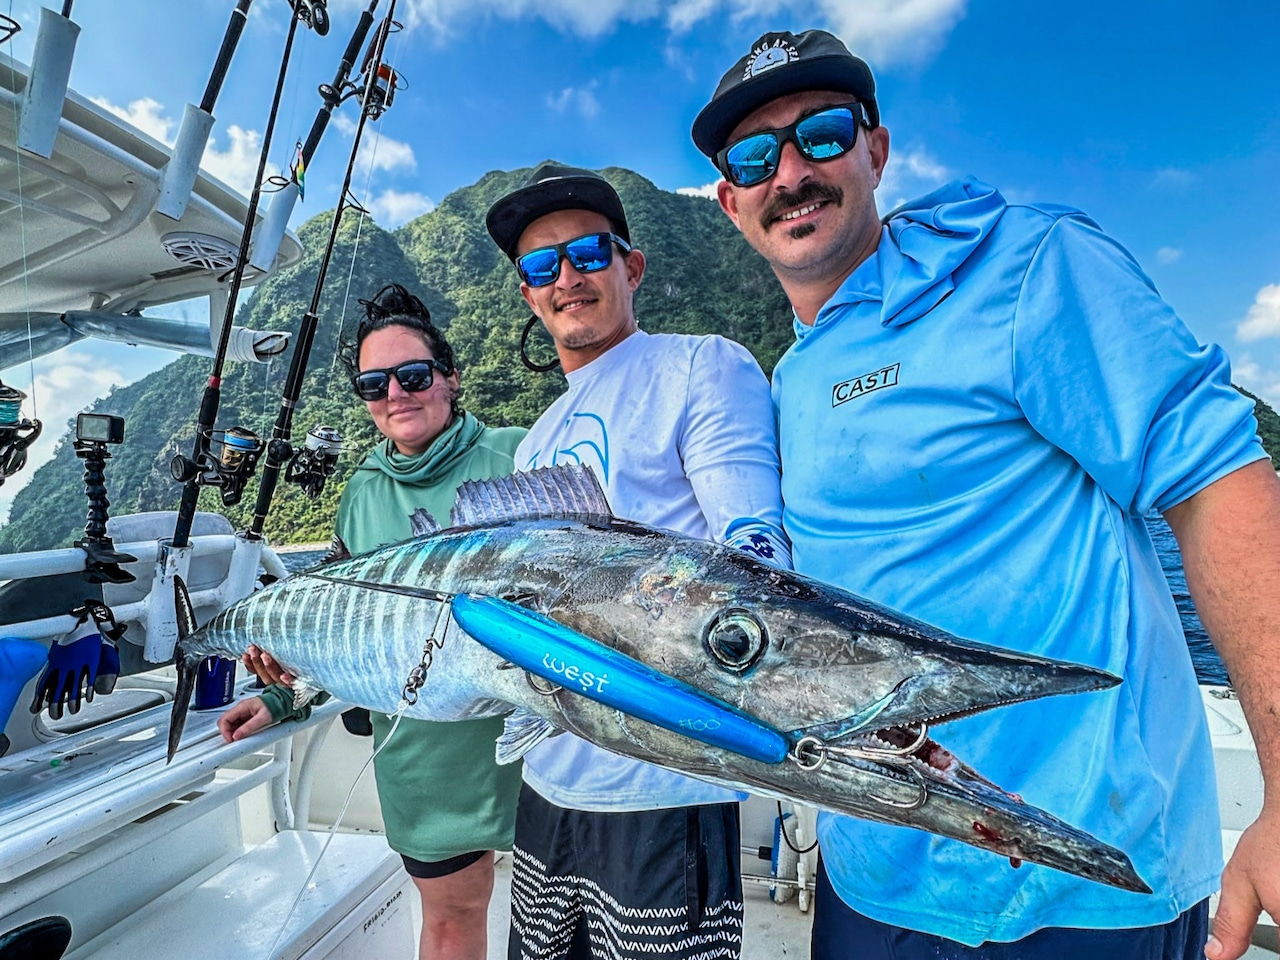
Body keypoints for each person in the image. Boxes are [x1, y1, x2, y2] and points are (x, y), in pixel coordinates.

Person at [693, 28, 1280, 960]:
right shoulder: (791, 379)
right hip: (873, 876)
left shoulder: (1023, 265)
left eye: (824, 132)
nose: (791, 171)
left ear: (877, 149)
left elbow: (1216, 480)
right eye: (757, 156)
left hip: (1080, 889)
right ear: (731, 201)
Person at [483, 163, 792, 960]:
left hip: (663, 788)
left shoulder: (701, 365)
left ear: (632, 265)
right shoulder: (534, 438)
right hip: (547, 782)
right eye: (540, 267)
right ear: (526, 293)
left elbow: (755, 560)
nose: (567, 278)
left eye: (587, 252)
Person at [217, 283, 526, 960]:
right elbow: (352, 635)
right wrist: (282, 697)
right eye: (372, 383)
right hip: (424, 750)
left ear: (450, 379)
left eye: (413, 375)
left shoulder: (519, 450)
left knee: (551, 919)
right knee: (450, 922)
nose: (395, 394)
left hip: (539, 741)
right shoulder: (362, 491)